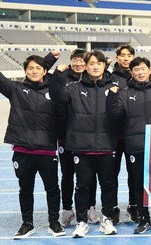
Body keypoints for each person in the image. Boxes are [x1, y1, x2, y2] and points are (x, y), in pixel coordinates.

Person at [50, 51, 120, 238]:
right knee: (82, 187)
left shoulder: (114, 88)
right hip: (82, 147)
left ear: (104, 65)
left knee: (108, 185)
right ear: (85, 66)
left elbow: (120, 114)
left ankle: (107, 219)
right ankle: (82, 222)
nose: (95, 66)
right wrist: (58, 75)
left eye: (99, 63)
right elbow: (57, 97)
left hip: (106, 146)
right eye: (91, 63)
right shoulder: (73, 88)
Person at [0, 55, 66, 238]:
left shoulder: (54, 91)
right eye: (30, 68)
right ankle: (27, 224)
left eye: (38, 68)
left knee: (52, 188)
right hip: (22, 150)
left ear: (45, 71)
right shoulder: (16, 89)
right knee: (25, 189)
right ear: (25, 71)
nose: (34, 71)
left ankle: (54, 222)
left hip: (46, 149)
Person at [106, 57, 151, 234]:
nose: (140, 73)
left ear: (149, 70)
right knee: (139, 183)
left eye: (143, 69)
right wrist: (112, 97)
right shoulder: (125, 93)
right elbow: (115, 115)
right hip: (135, 144)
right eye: (136, 70)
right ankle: (144, 218)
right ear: (131, 73)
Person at [52, 49, 89, 227]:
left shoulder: (92, 78)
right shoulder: (62, 77)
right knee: (67, 174)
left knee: (87, 175)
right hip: (64, 135)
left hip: (86, 136)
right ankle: (67, 209)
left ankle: (89, 208)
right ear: (71, 61)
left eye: (82, 60)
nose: (79, 63)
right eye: (75, 60)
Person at [111, 45, 135, 222]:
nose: (126, 58)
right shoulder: (110, 77)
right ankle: (113, 208)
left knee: (134, 174)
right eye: (123, 55)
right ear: (117, 58)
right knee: (112, 174)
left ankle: (134, 205)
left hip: (132, 134)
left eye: (129, 55)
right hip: (113, 135)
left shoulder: (139, 75)